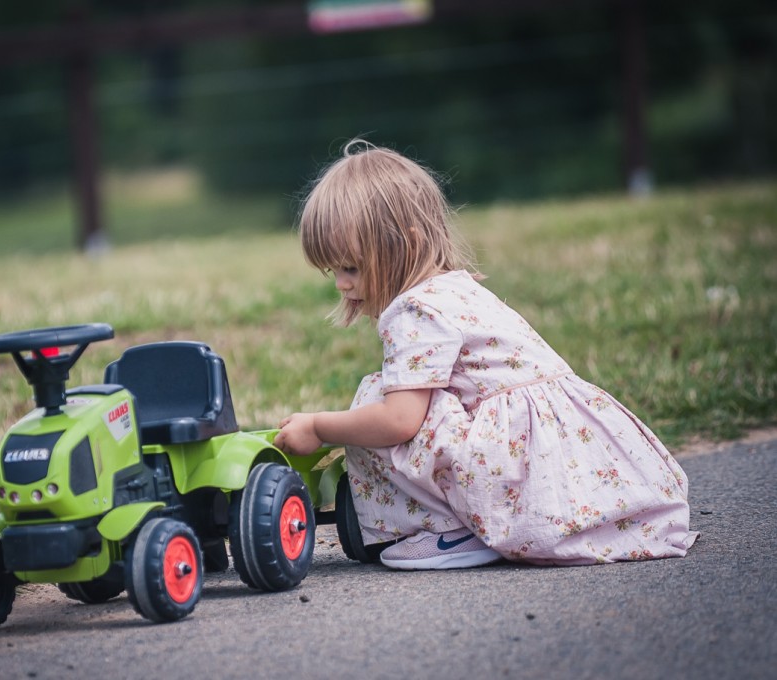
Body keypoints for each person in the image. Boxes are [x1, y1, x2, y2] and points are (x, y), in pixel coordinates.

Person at [274, 140, 699, 570]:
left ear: (404, 245)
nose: (341, 285)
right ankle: (471, 521)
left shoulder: (414, 310)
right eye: (335, 271)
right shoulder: (458, 288)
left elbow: (399, 421)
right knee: (403, 400)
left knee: (377, 402)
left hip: (511, 464)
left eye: (351, 268)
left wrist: (320, 427)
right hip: (551, 459)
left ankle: (453, 533)